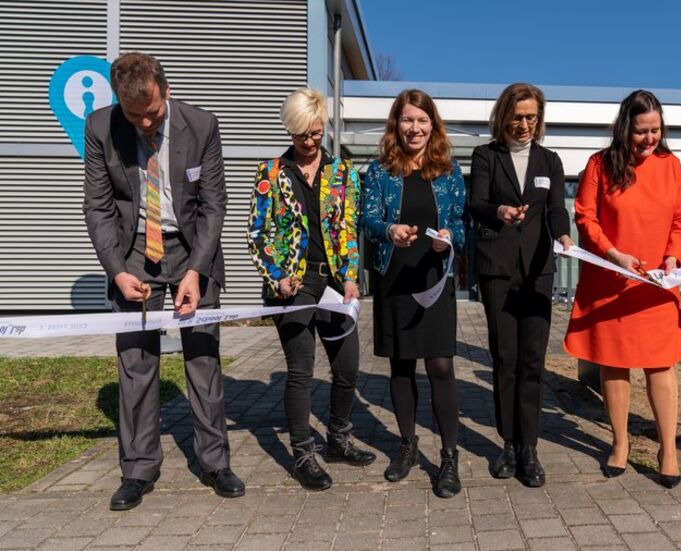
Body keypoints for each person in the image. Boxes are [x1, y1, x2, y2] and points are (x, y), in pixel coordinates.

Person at [82, 52, 243, 510]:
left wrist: (196, 269)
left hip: (193, 246)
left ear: (165, 91)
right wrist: (117, 270)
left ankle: (215, 463)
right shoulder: (100, 128)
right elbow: (98, 206)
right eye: (134, 116)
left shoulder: (203, 125)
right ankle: (137, 469)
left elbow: (214, 205)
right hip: (133, 250)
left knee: (203, 356)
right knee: (135, 362)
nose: (145, 123)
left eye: (151, 112)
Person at [247, 88, 375, 491]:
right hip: (294, 287)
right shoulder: (270, 173)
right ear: (290, 129)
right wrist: (276, 276)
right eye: (302, 134)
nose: (309, 142)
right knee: (301, 372)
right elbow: (256, 233)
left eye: (316, 133)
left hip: (335, 284)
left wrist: (352, 276)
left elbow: (349, 230)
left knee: (348, 367)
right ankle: (303, 452)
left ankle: (338, 437)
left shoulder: (344, 173)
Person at [564, 90, 681, 488]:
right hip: (613, 281)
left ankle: (667, 449)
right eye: (641, 131)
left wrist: (673, 256)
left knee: (660, 365)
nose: (649, 139)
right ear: (625, 128)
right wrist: (614, 254)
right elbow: (585, 216)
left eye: (655, 130)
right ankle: (620, 443)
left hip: (656, 285)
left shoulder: (671, 166)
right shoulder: (600, 164)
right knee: (615, 363)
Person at [361, 89, 466, 498]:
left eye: (422, 121)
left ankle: (449, 456)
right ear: (396, 125)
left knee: (440, 366)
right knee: (402, 367)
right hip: (395, 278)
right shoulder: (380, 171)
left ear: (432, 126)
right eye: (407, 120)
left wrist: (448, 237)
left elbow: (460, 223)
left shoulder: (449, 170)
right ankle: (406, 446)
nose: (415, 128)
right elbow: (368, 219)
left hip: (434, 278)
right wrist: (389, 230)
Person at [468, 83, 572, 487]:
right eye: (518, 117)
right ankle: (507, 443)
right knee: (505, 358)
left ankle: (530, 447)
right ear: (503, 116)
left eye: (532, 117)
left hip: (537, 271)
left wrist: (564, 237)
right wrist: (500, 210)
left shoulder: (550, 160)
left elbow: (557, 210)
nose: (525, 124)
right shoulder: (486, 155)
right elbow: (475, 203)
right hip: (497, 269)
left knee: (533, 360)